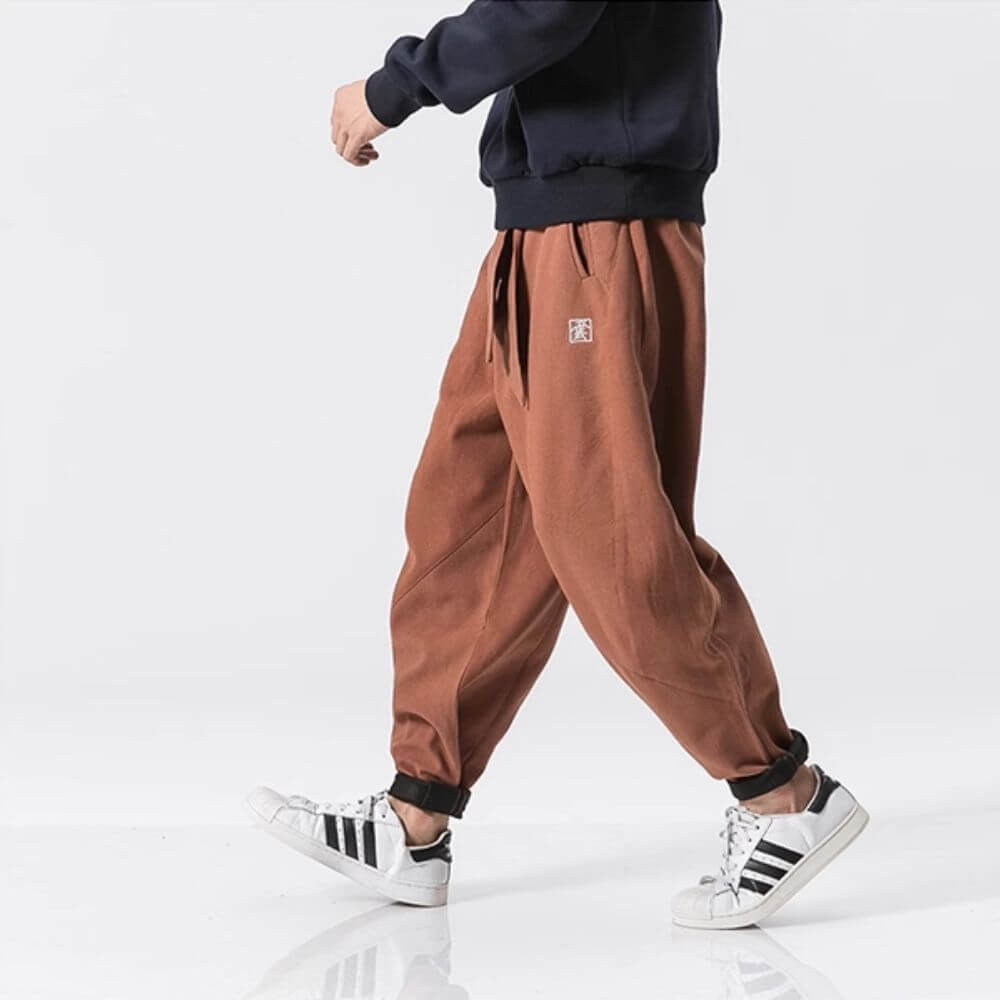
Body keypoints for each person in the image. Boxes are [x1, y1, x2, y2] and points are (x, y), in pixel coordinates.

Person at [248, 0, 867, 929]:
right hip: (544, 224)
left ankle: (783, 792)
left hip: (602, 227)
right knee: (466, 519)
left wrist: (393, 87)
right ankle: (416, 817)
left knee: (613, 540)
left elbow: (546, 8)